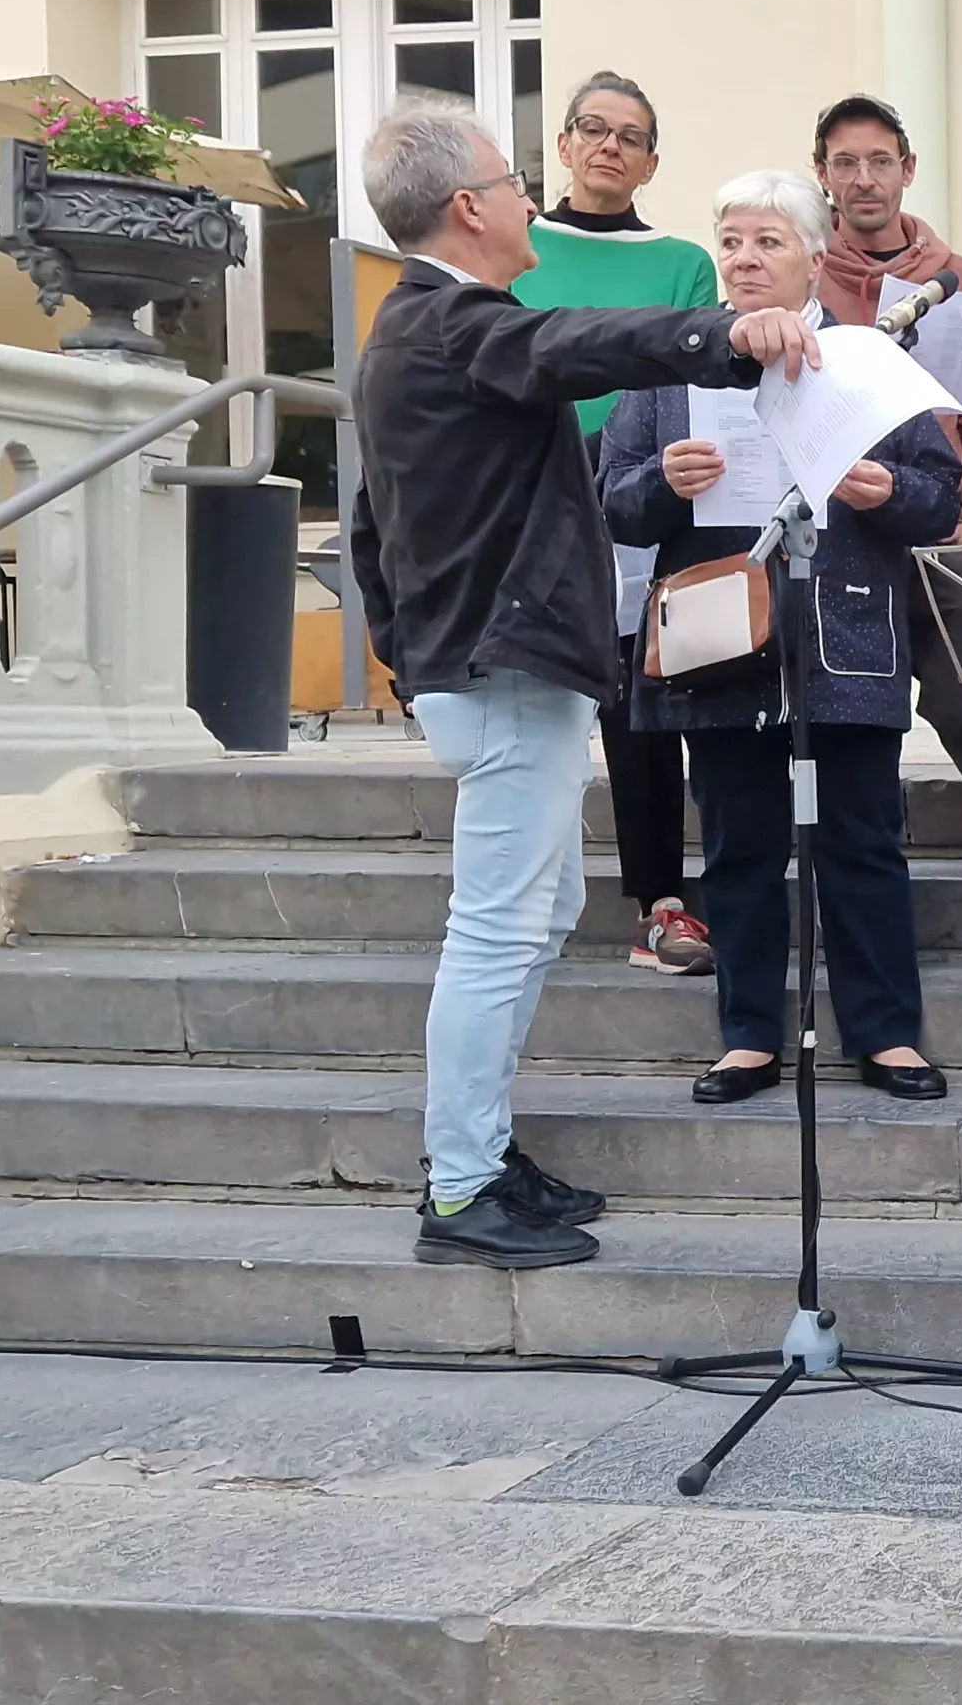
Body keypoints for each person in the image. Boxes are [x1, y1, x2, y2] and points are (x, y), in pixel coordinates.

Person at [346, 100, 815, 1270]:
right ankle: (459, 1189)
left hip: (495, 667)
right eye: (510, 186)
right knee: (498, 931)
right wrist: (725, 333)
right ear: (468, 208)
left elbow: (369, 528)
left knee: (537, 915)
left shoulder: (421, 332)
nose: (526, 205)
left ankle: (486, 1155)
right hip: (503, 671)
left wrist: (410, 655)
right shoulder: (453, 321)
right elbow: (571, 347)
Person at [600, 170, 962, 1108]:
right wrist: (661, 482)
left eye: (767, 241)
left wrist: (890, 494)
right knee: (738, 845)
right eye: (731, 241)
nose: (746, 258)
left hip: (844, 633)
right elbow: (615, 502)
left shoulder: (868, 359)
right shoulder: (670, 363)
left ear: (811, 255)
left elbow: (941, 497)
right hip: (719, 634)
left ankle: (885, 1035)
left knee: (863, 842)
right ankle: (751, 1034)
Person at [506, 70, 719, 975]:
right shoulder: (516, 248)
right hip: (529, 486)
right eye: (592, 129)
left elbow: (702, 377)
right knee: (535, 697)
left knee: (641, 704)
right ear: (562, 145)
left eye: (629, 136)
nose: (609, 146)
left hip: (640, 485)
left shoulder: (682, 263)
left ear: (651, 161)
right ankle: (519, 892)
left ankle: (662, 900)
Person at [810, 94, 962, 872]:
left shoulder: (957, 276)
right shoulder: (806, 273)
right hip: (839, 524)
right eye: (845, 163)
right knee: (841, 694)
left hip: (936, 517)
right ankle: (837, 837)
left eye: (880, 161)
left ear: (908, 170)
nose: (864, 179)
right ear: (822, 175)